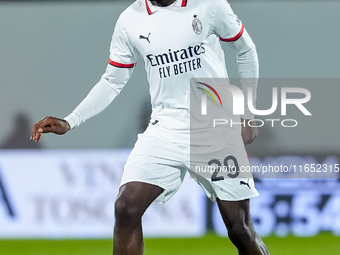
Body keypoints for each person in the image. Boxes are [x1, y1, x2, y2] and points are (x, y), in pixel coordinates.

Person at [31, 0, 269, 254]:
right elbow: (113, 80)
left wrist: (247, 113)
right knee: (126, 207)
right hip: (164, 128)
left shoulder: (209, 5)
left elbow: (246, 50)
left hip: (215, 128)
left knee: (239, 229)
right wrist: (71, 120)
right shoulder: (129, 20)